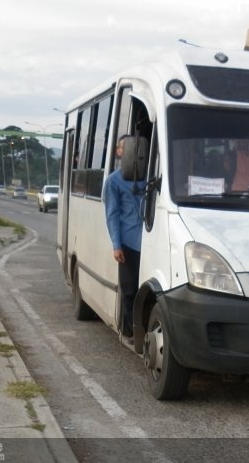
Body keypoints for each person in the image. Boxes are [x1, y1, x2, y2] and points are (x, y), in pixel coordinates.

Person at [103, 135, 146, 345]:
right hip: (128, 243)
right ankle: (130, 332)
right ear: (119, 152)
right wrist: (116, 245)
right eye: (125, 147)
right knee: (129, 290)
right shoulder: (113, 181)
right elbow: (112, 214)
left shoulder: (151, 176)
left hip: (149, 241)